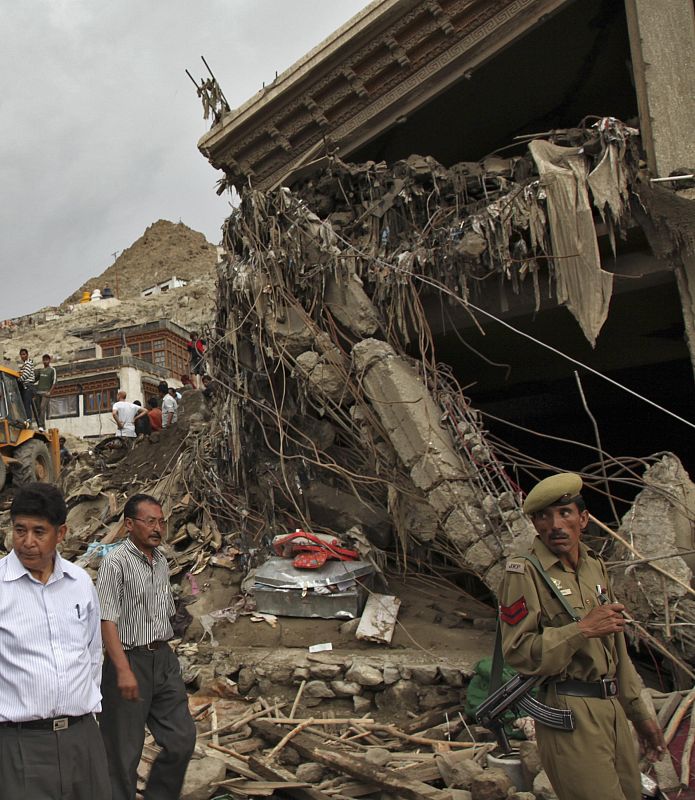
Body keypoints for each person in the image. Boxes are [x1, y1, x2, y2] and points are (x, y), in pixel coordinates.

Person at [499, 473, 665, 800]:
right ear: (535, 524)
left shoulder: (594, 566)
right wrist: (581, 630)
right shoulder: (524, 572)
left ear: (584, 518)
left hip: (612, 710)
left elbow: (616, 648)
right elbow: (518, 652)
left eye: (565, 513)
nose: (555, 525)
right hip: (569, 713)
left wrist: (639, 714)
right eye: (544, 516)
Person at [0, 483, 110, 800]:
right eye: (20, 530)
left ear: (60, 534)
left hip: (82, 739)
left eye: (39, 531)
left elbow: (92, 655)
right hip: (21, 745)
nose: (27, 542)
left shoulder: (79, 584)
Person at [96, 494, 196, 800]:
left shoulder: (162, 560)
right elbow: (106, 620)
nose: (158, 528)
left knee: (182, 738)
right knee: (123, 754)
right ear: (129, 524)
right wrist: (123, 670)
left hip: (162, 659)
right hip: (128, 660)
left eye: (161, 521)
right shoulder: (115, 562)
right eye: (150, 521)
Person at [33, 353, 57, 430]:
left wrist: (50, 392)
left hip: (46, 393)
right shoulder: (41, 370)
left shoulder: (52, 370)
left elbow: (54, 382)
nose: (45, 361)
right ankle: (42, 426)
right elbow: (34, 380)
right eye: (44, 360)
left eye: (47, 359)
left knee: (42, 407)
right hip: (38, 392)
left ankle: (41, 425)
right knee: (38, 409)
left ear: (49, 360)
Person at [18, 347, 35, 423]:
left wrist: (18, 380)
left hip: (28, 386)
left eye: (24, 354)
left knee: (26, 403)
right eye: (21, 355)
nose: (22, 356)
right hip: (25, 386)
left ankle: (29, 419)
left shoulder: (28, 363)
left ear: (27, 355)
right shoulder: (24, 365)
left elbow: (26, 375)